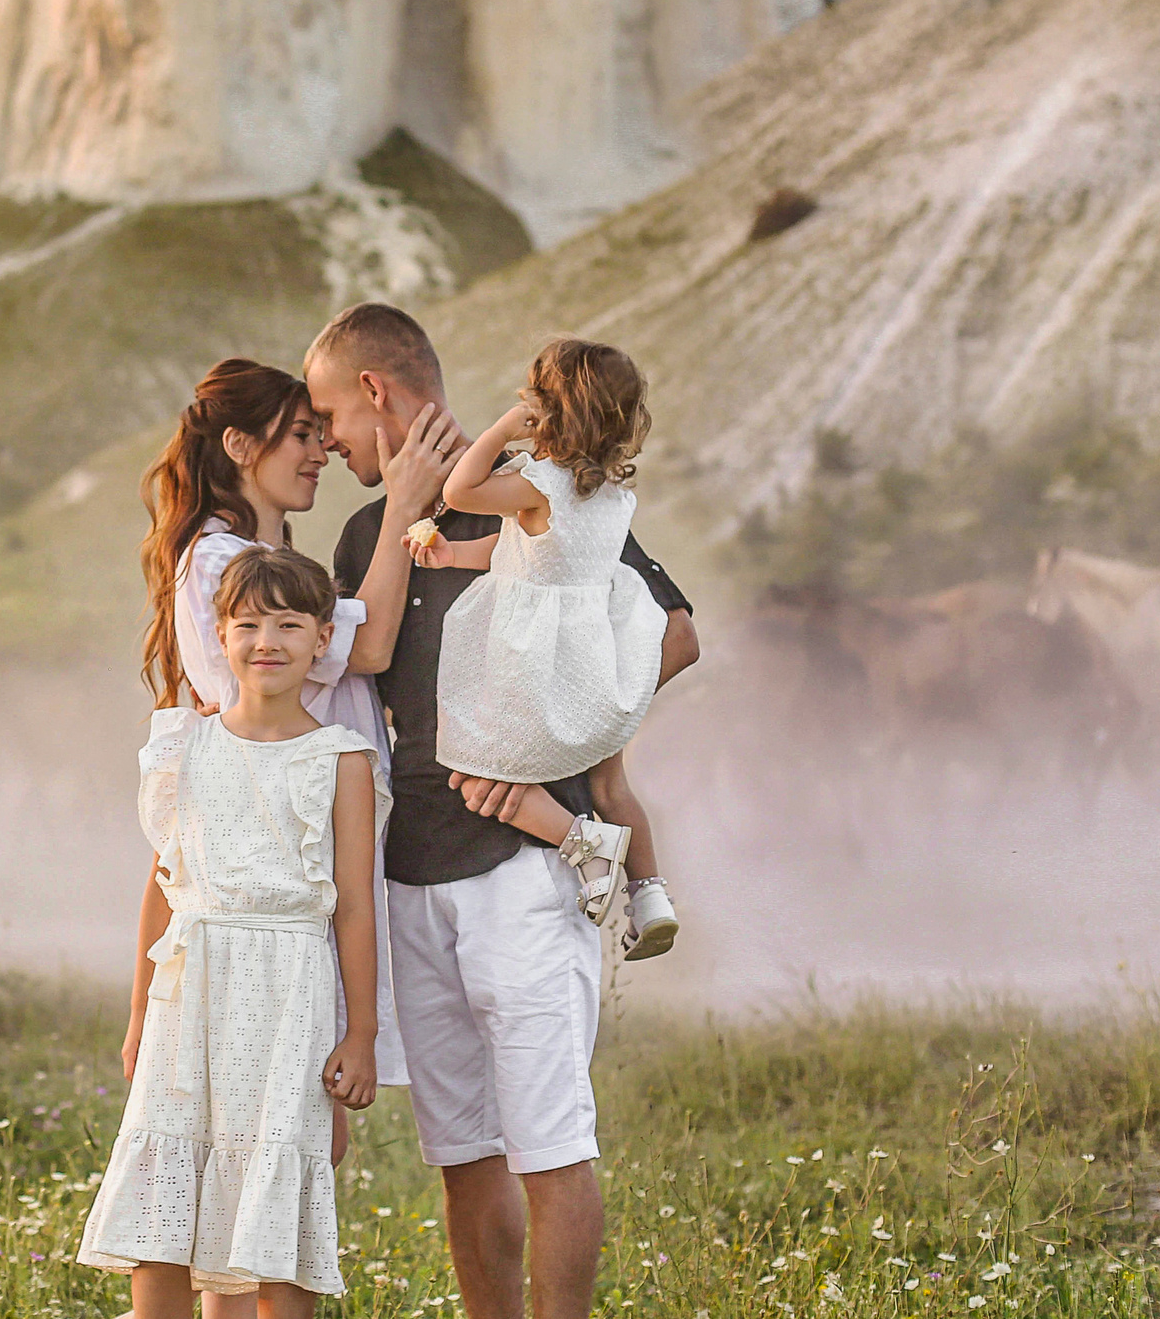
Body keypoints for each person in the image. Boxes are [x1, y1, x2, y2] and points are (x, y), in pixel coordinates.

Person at [303, 303, 699, 1319]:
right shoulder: (363, 530)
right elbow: (365, 666)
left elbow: (673, 635)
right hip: (410, 873)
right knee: (465, 1153)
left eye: (327, 414)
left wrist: (556, 757)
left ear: (375, 394)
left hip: (523, 871)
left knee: (550, 1145)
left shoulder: (545, 490)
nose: (326, 438)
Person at [139, 356, 462, 1102]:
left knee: (306, 1120)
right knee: (281, 1109)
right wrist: (406, 503)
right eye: (299, 436)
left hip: (307, 848)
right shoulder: (226, 563)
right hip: (279, 857)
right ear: (241, 446)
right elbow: (372, 643)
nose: (320, 453)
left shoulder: (266, 562)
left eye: (322, 434)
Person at [78, 547, 389, 1318]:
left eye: (288, 623)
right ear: (219, 633)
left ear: (324, 637)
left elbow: (354, 906)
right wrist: (139, 1012)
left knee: (273, 1206)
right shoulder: (186, 744)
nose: (266, 642)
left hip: (289, 992)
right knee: (163, 1211)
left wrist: (362, 1033)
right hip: (193, 989)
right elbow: (163, 884)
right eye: (248, 623)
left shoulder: (341, 758)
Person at [405, 337, 679, 947]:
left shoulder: (541, 485)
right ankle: (651, 893)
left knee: (475, 771)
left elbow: (458, 492)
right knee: (614, 785)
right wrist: (452, 555)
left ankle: (583, 842)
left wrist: (502, 431)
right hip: (594, 664)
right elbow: (526, 558)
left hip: (535, 662)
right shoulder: (611, 495)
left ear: (549, 411)